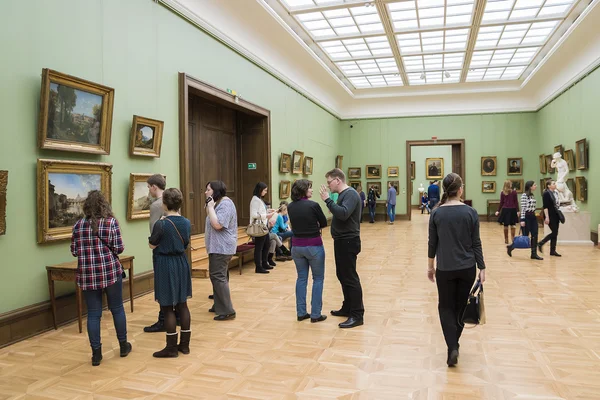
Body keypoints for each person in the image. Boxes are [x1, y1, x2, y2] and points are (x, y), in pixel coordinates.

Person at [427, 173, 486, 367]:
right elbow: (476, 243)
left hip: (445, 268)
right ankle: (454, 344)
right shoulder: (471, 212)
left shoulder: (436, 213)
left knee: (445, 306)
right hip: (467, 268)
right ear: (460, 190)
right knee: (461, 306)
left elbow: (432, 244)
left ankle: (452, 346)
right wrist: (482, 267)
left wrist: (430, 267)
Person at [70, 190, 132, 366]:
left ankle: (96, 354)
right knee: (117, 308)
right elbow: (119, 248)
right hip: (110, 272)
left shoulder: (78, 225)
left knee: (93, 314)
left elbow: (74, 251)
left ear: (86, 206)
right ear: (104, 205)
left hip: (88, 274)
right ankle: (123, 346)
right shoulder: (110, 222)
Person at [149, 188, 193, 357]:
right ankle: (185, 345)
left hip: (165, 264)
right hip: (181, 263)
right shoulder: (187, 223)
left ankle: (171, 348)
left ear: (165, 204)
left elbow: (153, 244)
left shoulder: (162, 223)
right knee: (182, 304)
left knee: (167, 307)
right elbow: (186, 242)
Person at [320, 168, 364, 329]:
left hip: (348, 241)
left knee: (350, 277)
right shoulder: (343, 195)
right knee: (342, 274)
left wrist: (327, 200)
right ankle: (348, 307)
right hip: (342, 241)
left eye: (329, 182)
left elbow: (344, 214)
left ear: (338, 180)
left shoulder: (350, 194)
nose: (328, 185)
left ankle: (357, 314)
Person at [288, 179, 328, 323]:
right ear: (304, 189)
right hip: (314, 246)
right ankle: (316, 314)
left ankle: (301, 312)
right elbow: (324, 223)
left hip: (296, 246)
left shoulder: (290, 206)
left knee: (301, 278)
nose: (311, 190)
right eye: (310, 188)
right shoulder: (313, 205)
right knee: (318, 279)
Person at [144, 174, 175, 333]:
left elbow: (154, 231)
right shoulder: (172, 200)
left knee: (162, 286)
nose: (148, 190)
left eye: (149, 187)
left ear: (154, 187)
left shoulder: (157, 205)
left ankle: (163, 320)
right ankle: (170, 316)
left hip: (161, 251)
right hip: (173, 250)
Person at [205, 181, 237, 321]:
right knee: (217, 276)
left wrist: (210, 207)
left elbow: (218, 224)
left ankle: (227, 310)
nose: (206, 192)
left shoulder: (225, 204)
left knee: (218, 277)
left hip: (222, 247)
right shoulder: (218, 203)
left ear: (215, 191)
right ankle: (219, 305)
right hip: (217, 247)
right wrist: (210, 206)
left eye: (208, 190)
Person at [507, 181, 543, 260]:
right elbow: (523, 208)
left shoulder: (532, 195)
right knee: (525, 236)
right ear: (530, 186)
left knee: (535, 235)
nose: (535, 186)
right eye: (534, 185)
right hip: (526, 216)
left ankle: (534, 253)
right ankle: (511, 247)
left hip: (533, 216)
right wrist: (522, 219)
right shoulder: (524, 195)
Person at [250, 182, 276, 274]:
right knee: (259, 247)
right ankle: (258, 266)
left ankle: (264, 263)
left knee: (267, 244)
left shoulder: (259, 199)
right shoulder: (255, 200)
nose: (265, 192)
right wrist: (267, 215)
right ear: (260, 190)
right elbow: (254, 214)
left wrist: (269, 211)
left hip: (263, 226)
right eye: (264, 190)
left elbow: (260, 211)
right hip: (259, 227)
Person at [538, 180, 561, 257]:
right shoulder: (546, 193)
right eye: (553, 184)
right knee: (554, 232)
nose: (555, 185)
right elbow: (545, 206)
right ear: (548, 186)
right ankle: (541, 243)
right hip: (550, 215)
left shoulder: (556, 193)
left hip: (556, 214)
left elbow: (557, 203)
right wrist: (547, 217)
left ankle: (552, 250)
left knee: (555, 232)